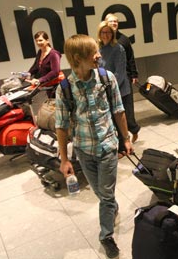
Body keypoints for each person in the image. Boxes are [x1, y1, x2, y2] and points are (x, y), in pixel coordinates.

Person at [55, 34, 133, 259]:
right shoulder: (65, 88)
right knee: (102, 194)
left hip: (108, 146)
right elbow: (61, 126)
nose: (99, 56)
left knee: (105, 194)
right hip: (84, 150)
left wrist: (125, 138)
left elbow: (119, 110)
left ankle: (106, 236)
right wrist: (64, 159)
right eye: (94, 53)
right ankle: (111, 207)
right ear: (78, 58)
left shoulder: (106, 78)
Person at [97, 21, 131, 158]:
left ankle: (123, 148)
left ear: (113, 34)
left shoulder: (118, 48)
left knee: (119, 120)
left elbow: (120, 73)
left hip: (118, 90)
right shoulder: (98, 49)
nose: (106, 35)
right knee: (109, 120)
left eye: (109, 32)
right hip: (104, 90)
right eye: (103, 32)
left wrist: (109, 88)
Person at [105, 13, 141, 143]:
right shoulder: (102, 42)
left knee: (127, 109)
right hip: (108, 82)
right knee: (115, 112)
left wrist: (134, 74)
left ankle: (134, 129)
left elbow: (131, 58)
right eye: (111, 21)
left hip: (123, 79)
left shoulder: (123, 40)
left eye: (116, 21)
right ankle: (121, 136)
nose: (114, 23)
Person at [28, 31, 61, 97]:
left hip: (57, 87)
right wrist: (27, 74)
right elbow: (35, 67)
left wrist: (40, 80)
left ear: (47, 41)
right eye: (36, 41)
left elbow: (55, 72)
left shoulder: (54, 54)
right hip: (49, 86)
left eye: (40, 40)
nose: (38, 43)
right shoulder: (40, 52)